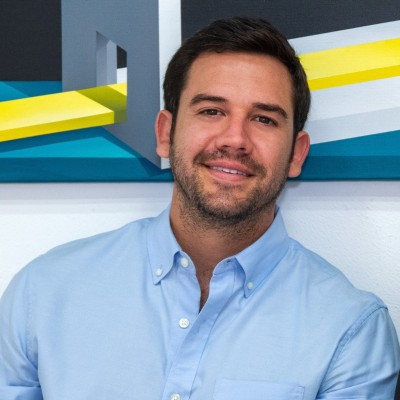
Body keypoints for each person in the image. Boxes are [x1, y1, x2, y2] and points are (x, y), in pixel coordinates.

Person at [0, 17, 399, 400]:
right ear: (165, 133)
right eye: (211, 111)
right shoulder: (44, 294)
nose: (235, 139)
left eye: (263, 119)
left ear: (296, 154)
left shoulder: (350, 330)